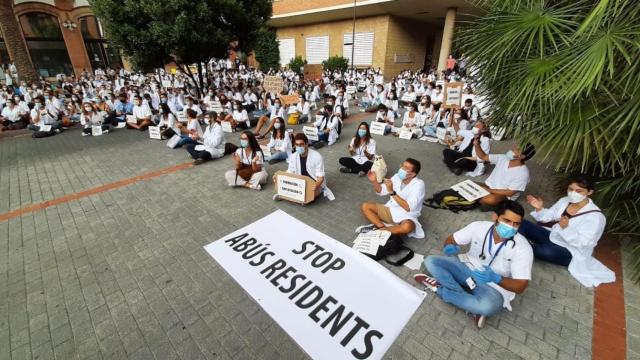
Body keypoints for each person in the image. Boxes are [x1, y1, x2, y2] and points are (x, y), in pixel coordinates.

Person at [414, 200, 533, 328]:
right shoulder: (478, 227)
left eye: (516, 224)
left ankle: (439, 289)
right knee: (431, 261)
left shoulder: (523, 248)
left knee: (488, 307)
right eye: (507, 221)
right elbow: (452, 239)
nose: (511, 227)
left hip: (493, 286)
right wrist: (449, 246)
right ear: (495, 217)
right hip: (467, 268)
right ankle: (471, 306)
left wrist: (496, 278)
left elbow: (521, 286)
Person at [519, 175, 614, 287]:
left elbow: (585, 242)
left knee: (545, 252)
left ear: (589, 192)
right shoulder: (565, 201)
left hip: (571, 250)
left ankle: (522, 246)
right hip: (553, 236)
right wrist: (539, 208)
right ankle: (523, 244)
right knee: (521, 222)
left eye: (579, 191)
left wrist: (566, 229)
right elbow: (549, 217)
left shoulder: (596, 217)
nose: (573, 193)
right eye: (571, 189)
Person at [357, 158, 426, 238]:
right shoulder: (397, 177)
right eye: (402, 166)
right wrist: (374, 181)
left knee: (407, 227)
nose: (401, 169)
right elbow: (381, 191)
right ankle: (382, 229)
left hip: (407, 215)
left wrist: (392, 192)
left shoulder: (419, 185)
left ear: (413, 174)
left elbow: (408, 208)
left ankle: (376, 230)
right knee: (365, 206)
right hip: (391, 209)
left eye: (406, 168)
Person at [273, 133, 333, 201]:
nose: (299, 147)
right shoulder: (293, 156)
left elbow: (320, 177)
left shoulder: (317, 157)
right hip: (300, 181)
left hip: (313, 182)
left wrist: (316, 185)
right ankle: (283, 195)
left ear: (306, 144)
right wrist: (278, 176)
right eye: (297, 145)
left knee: (309, 196)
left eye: (301, 144)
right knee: (291, 187)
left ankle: (288, 196)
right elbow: (290, 172)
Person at [474, 141, 535, 207]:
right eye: (514, 147)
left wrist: (488, 190)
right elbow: (483, 156)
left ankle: (481, 200)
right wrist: (477, 145)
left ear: (522, 156)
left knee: (489, 200)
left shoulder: (523, 173)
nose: (512, 149)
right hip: (488, 186)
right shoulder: (503, 158)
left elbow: (510, 193)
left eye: (516, 149)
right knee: (467, 184)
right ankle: (479, 199)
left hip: (503, 195)